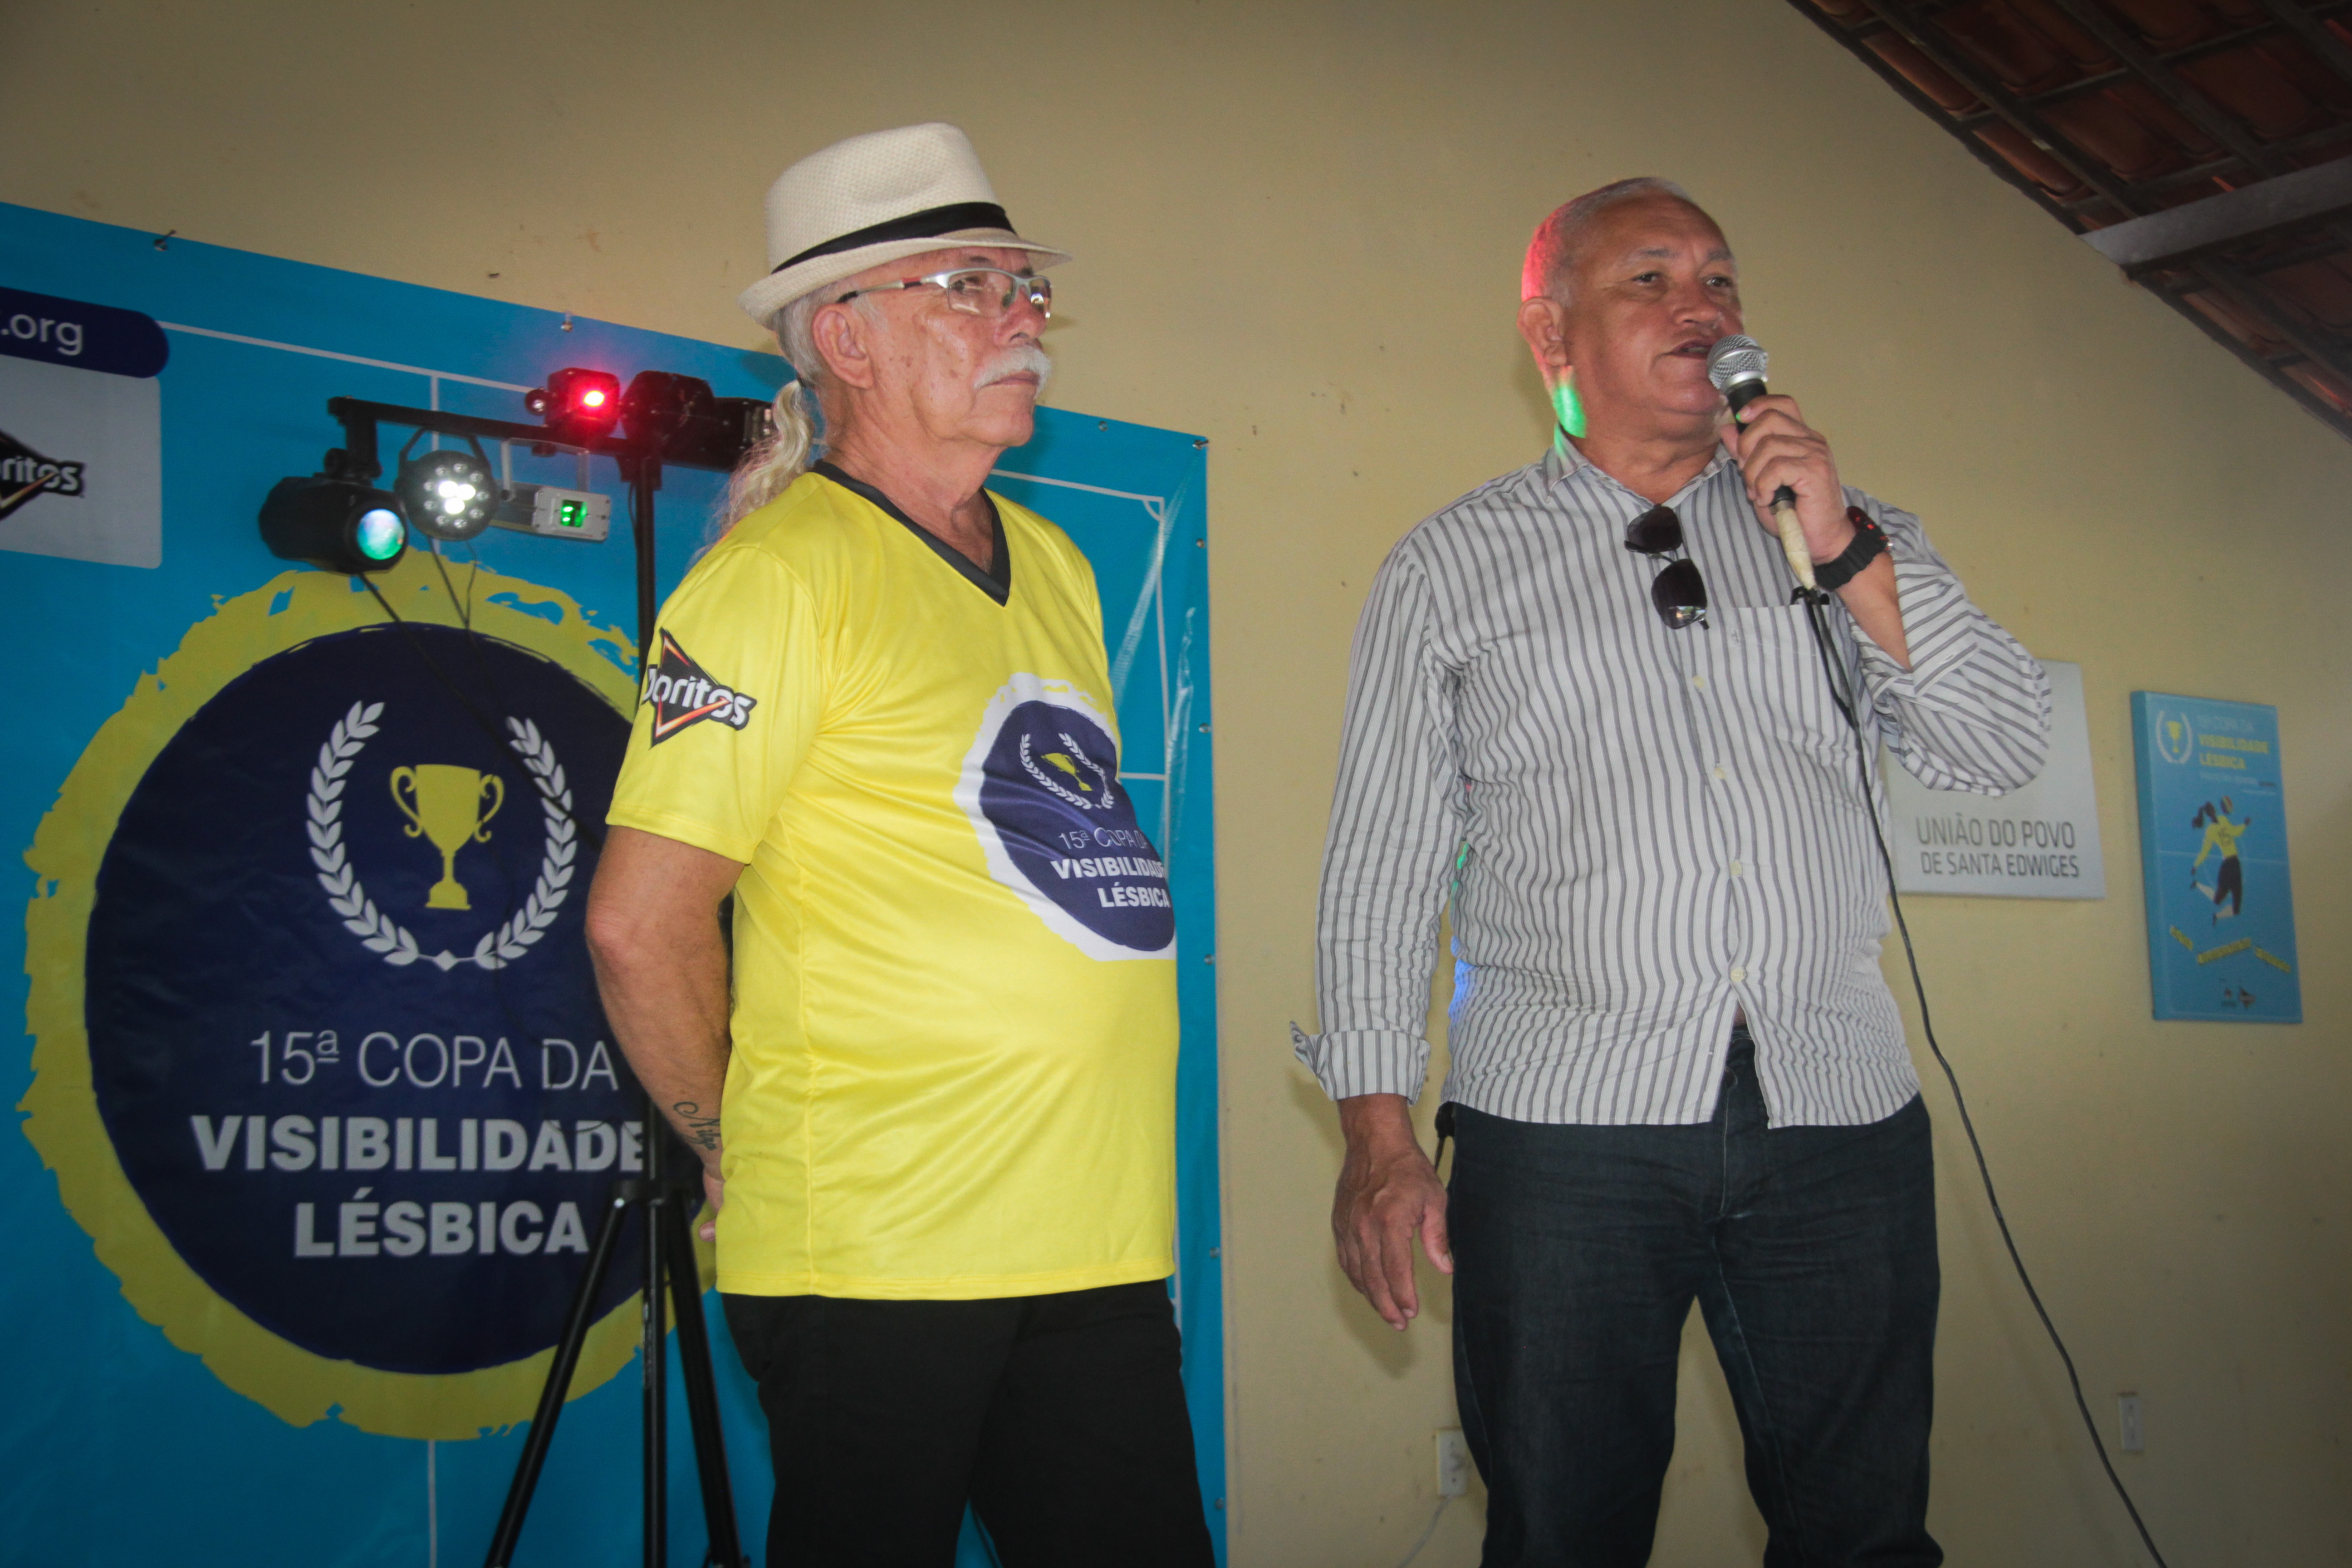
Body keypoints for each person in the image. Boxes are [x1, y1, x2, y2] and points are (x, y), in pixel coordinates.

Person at [1295, 177, 2051, 1566]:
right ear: (1551, 336)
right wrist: (1378, 1136)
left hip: (1839, 1116)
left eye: (1720, 279)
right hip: (1564, 1134)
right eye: (1650, 278)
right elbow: (1384, 864)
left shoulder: (1836, 533)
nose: (1701, 306)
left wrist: (1848, 545)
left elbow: (2003, 743)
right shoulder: (1449, 569)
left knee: (1868, 1536)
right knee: (1565, 1535)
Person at [587, 122, 1212, 1568]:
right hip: (881, 1252)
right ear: (846, 338)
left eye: (1026, 287)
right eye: (968, 286)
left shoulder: (1056, 566)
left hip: (1095, 1240)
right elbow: (638, 923)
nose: (1022, 320)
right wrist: (731, 1150)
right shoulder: (775, 579)